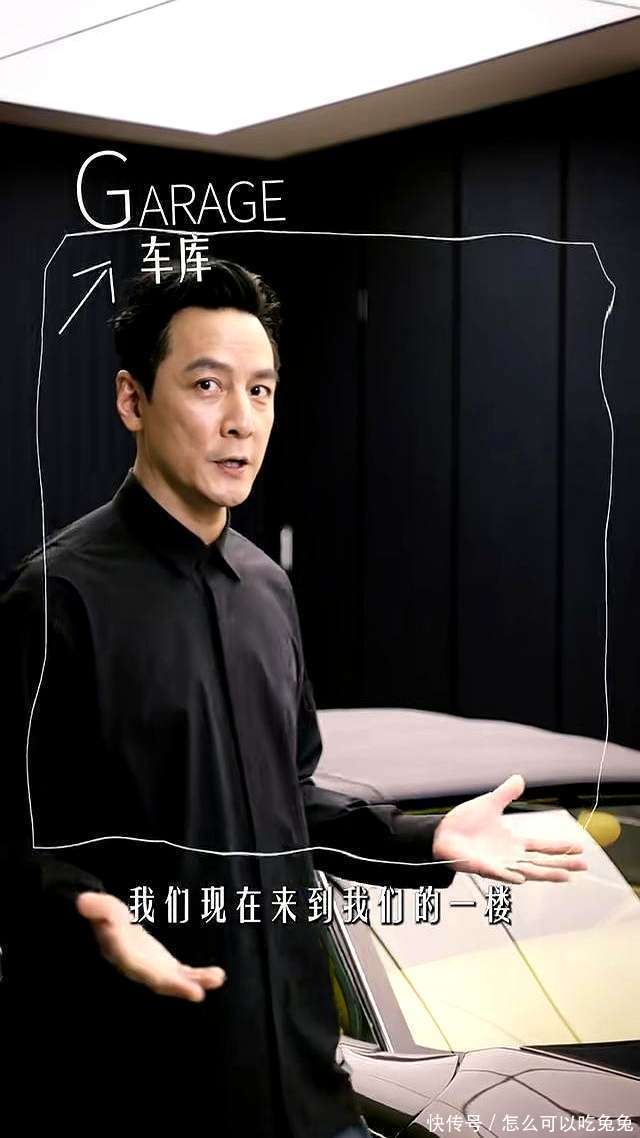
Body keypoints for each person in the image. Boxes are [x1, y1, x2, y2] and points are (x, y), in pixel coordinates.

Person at [0, 263, 586, 1136]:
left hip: (310, 1093)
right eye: (208, 386)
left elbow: (291, 801)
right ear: (132, 400)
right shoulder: (56, 600)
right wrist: (83, 910)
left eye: (261, 390)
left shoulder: (268, 591)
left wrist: (424, 838)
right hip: (147, 1093)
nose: (241, 420)